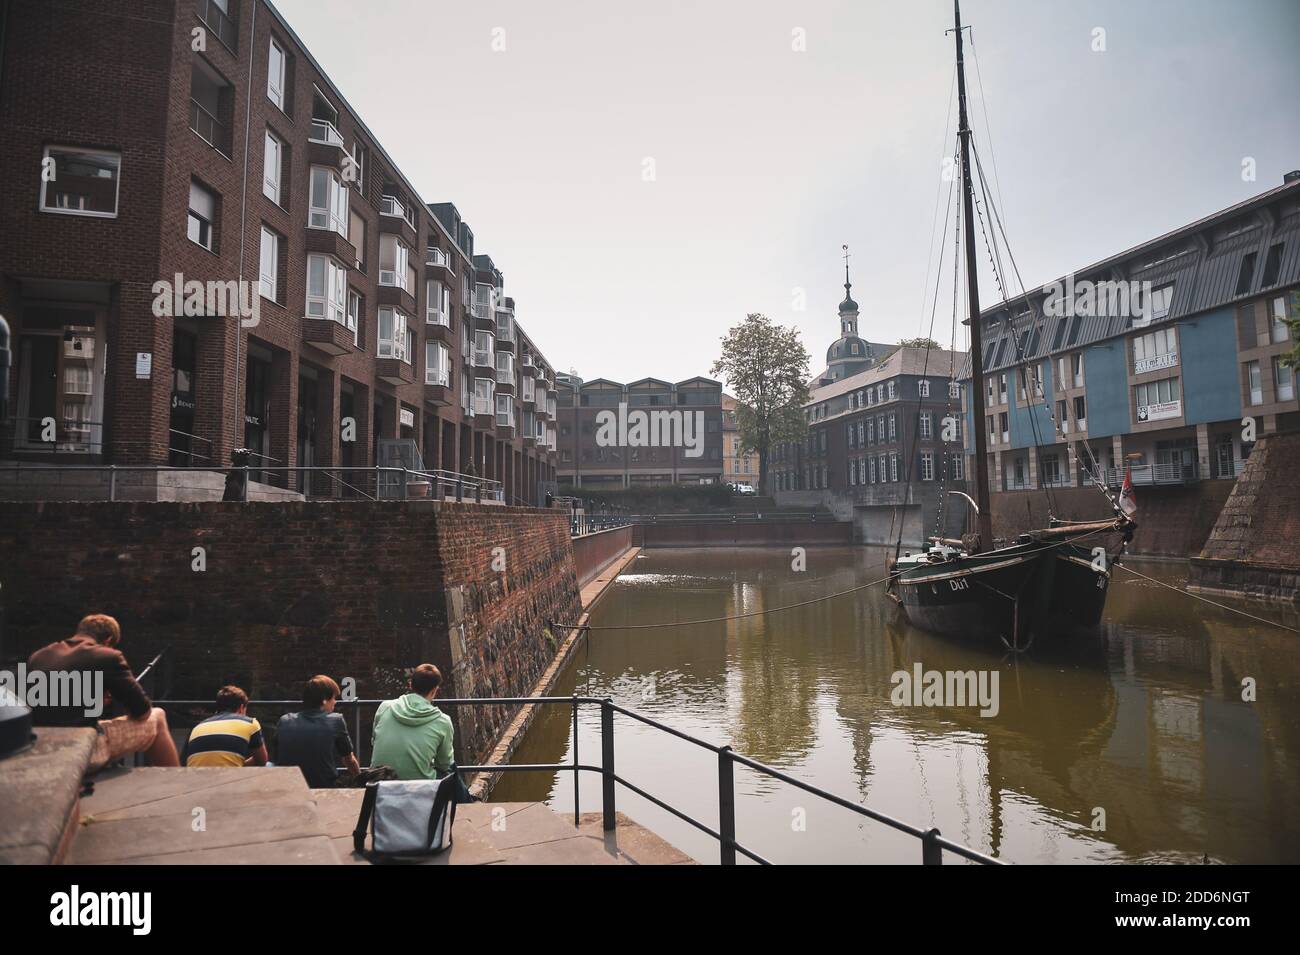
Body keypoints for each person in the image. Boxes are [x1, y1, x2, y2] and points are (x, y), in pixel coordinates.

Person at [27, 613, 179, 770]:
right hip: (84, 749)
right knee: (158, 715)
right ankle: (177, 784)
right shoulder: (107, 656)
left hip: (42, 746)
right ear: (108, 640)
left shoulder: (38, 656)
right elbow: (143, 712)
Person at [370, 664, 454, 780]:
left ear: (410, 684)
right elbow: (445, 764)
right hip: (419, 787)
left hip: (379, 780)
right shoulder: (442, 721)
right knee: (452, 770)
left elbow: (374, 741)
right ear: (435, 690)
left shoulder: (385, 707)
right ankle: (466, 798)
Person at [275, 675, 359, 788]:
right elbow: (349, 760)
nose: (335, 702)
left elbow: (276, 756)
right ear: (324, 700)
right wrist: (360, 778)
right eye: (333, 698)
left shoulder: (284, 721)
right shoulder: (335, 720)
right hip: (324, 787)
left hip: (290, 787)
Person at [182, 685, 268, 768]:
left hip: (196, 780)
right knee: (269, 765)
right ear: (241, 708)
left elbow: (183, 763)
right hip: (229, 780)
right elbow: (261, 761)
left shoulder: (197, 727)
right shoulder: (250, 722)